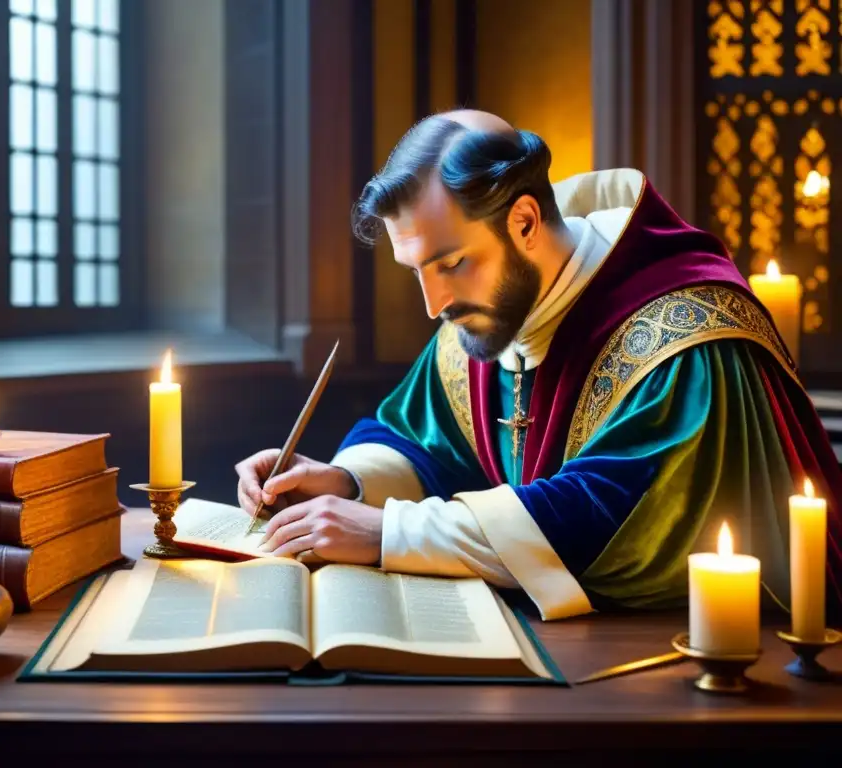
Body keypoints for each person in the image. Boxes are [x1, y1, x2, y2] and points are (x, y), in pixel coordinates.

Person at [235, 109, 842, 621]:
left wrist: (387, 533)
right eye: (416, 271)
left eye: (449, 264)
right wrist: (345, 482)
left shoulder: (685, 334)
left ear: (524, 221)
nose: (433, 304)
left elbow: (608, 514)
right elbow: (418, 437)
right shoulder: (485, 315)